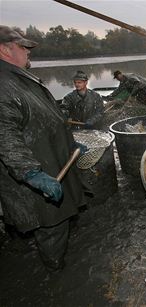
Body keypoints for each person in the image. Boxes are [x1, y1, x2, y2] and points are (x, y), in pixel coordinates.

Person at [0, 25, 84, 272]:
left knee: (57, 222)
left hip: (51, 157)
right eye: (22, 47)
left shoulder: (16, 76)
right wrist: (32, 174)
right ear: (4, 49)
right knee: (51, 225)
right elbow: (4, 135)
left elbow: (43, 116)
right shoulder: (3, 84)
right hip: (37, 173)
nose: (28, 51)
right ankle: (56, 272)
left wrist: (68, 143)